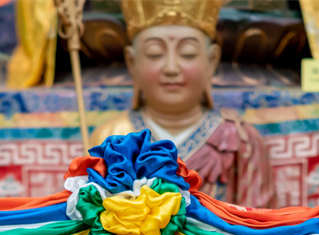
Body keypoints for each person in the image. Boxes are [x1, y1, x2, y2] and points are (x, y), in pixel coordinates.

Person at [92, 0, 275, 208]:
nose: (171, 68)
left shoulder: (240, 140)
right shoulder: (112, 137)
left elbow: (260, 220)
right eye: (154, 54)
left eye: (188, 53)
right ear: (131, 62)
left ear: (212, 60)